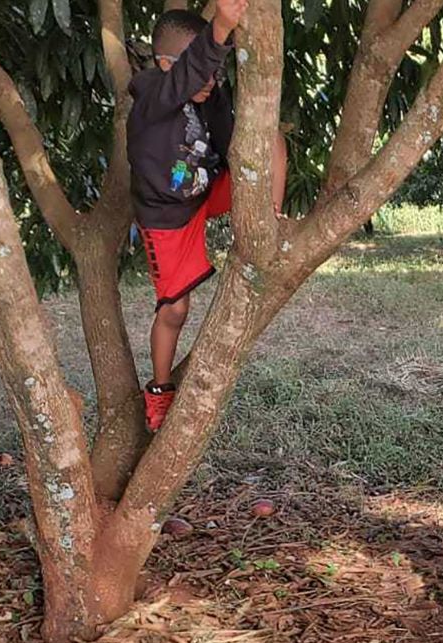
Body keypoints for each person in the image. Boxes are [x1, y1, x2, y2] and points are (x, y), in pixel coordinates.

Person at [127, 0, 286, 430]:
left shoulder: (209, 94)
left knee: (271, 139)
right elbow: (188, 73)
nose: (209, 78)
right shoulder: (151, 98)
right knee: (175, 310)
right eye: (202, 69)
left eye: (215, 69)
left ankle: (272, 219)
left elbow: (234, 141)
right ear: (166, 64)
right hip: (166, 217)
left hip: (203, 194)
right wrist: (219, 27)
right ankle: (159, 391)